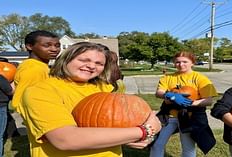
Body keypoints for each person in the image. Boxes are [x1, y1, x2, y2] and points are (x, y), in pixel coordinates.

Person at [20, 42, 162, 157]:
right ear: (65, 60)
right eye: (83, 60)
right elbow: (65, 139)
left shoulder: (103, 88)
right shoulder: (40, 91)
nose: (92, 66)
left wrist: (143, 136)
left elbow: (140, 118)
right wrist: (143, 131)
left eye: (99, 63)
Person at [150, 51, 218, 157]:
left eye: (185, 62)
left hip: (189, 117)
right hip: (170, 116)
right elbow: (159, 92)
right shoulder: (168, 77)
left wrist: (191, 103)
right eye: (177, 62)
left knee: (188, 147)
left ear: (192, 63)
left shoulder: (200, 78)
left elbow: (208, 101)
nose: (181, 65)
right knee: (157, 144)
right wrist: (170, 95)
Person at [11, 30, 61, 117]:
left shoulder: (38, 66)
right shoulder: (34, 69)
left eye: (57, 46)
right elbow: (21, 99)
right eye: (47, 45)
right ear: (30, 46)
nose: (54, 49)